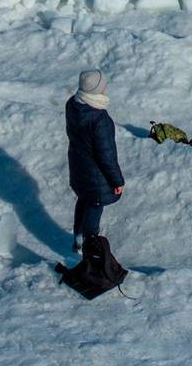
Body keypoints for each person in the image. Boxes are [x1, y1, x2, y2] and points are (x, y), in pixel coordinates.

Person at [66, 69, 124, 253]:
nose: (106, 86)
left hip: (78, 164)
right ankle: (88, 246)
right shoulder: (99, 120)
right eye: (103, 84)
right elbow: (106, 155)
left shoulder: (73, 104)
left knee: (84, 199)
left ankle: (77, 238)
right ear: (97, 90)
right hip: (95, 174)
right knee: (95, 204)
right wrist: (117, 180)